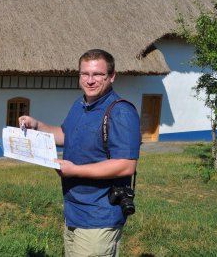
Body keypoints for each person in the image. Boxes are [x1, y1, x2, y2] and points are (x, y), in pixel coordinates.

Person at [19, 49, 140, 257]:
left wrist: (75, 170)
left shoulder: (121, 112)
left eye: (97, 75)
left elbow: (126, 165)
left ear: (111, 77)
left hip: (99, 213)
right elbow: (66, 135)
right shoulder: (80, 104)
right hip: (74, 210)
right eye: (85, 74)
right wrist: (37, 125)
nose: (90, 80)